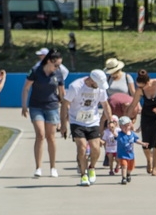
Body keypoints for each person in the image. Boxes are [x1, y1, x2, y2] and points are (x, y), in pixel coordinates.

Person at [61, 69, 112, 186]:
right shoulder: (75, 86)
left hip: (93, 121)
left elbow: (105, 104)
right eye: (97, 84)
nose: (98, 87)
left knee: (96, 148)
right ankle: (83, 175)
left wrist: (110, 121)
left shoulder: (100, 88)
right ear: (91, 80)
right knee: (82, 147)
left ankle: (92, 167)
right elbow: (65, 104)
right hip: (76, 121)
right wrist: (63, 124)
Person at [21, 49, 66, 178]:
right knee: (40, 135)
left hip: (52, 106)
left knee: (51, 137)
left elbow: (62, 93)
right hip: (36, 106)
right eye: (56, 65)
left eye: (59, 65)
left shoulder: (58, 74)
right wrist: (24, 106)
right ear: (48, 61)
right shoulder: (36, 71)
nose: (57, 68)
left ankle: (53, 167)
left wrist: (65, 109)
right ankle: (38, 167)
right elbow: (26, 88)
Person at [126, 70, 156, 175]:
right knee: (146, 141)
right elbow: (134, 104)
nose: (141, 88)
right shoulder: (140, 90)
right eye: (139, 86)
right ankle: (149, 160)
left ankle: (155, 167)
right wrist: (127, 119)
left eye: (143, 86)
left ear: (148, 82)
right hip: (147, 114)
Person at [115, 116, 148, 184]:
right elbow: (115, 136)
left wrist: (143, 143)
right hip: (122, 155)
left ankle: (128, 174)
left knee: (130, 167)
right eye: (124, 126)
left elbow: (136, 140)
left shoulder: (132, 134)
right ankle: (123, 178)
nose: (126, 128)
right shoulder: (119, 134)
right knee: (124, 166)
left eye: (128, 126)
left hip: (130, 155)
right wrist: (113, 130)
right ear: (120, 127)